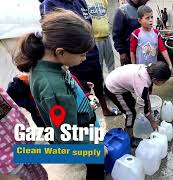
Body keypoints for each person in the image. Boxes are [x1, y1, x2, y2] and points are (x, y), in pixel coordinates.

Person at [13, 10, 105, 179]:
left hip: (82, 121)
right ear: (61, 52)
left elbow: (66, 85)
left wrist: (81, 87)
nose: (84, 59)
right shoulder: (54, 89)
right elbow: (67, 134)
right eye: (82, 54)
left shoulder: (46, 61)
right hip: (82, 136)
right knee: (96, 167)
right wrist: (94, 146)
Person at [40, 0, 119, 116]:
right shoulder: (50, 3)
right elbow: (53, 34)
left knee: (98, 80)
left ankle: (104, 109)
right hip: (73, 56)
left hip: (90, 50)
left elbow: (88, 25)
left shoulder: (80, 1)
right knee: (80, 88)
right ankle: (86, 114)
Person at [104, 62, 171, 146]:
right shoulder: (142, 84)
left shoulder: (149, 69)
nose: (163, 84)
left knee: (131, 103)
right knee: (131, 114)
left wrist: (147, 103)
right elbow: (145, 109)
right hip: (113, 88)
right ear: (155, 79)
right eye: (163, 82)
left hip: (116, 80)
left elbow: (147, 96)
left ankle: (127, 117)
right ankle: (129, 138)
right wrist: (153, 122)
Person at [0, 86, 48, 180]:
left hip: (23, 145)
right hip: (6, 162)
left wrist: (26, 131)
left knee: (41, 175)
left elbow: (13, 110)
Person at [130, 5, 173, 75]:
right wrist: (134, 67)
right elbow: (132, 52)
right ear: (139, 20)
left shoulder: (156, 33)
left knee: (151, 84)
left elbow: (163, 49)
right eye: (147, 18)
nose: (151, 20)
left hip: (153, 69)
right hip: (140, 69)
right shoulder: (136, 34)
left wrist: (170, 64)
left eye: (152, 17)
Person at [112, 0, 150, 66]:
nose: (146, 2)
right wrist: (122, 52)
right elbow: (117, 34)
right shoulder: (122, 11)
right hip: (128, 53)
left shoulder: (145, 10)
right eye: (145, 0)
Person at [85, 0, 115, 73]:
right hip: (95, 39)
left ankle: (113, 83)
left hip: (106, 36)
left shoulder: (103, 1)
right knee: (98, 65)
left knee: (111, 64)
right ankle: (101, 83)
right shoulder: (84, 1)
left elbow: (105, 14)